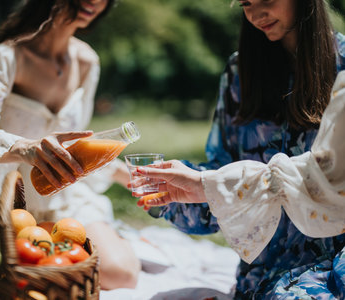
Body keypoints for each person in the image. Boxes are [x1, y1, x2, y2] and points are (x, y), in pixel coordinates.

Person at [129, 0, 345, 298]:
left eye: (266, 0)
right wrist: (167, 193)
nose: (256, 14)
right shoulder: (239, 72)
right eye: (246, 3)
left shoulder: (343, 68)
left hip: (332, 269)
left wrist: (206, 186)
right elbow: (222, 181)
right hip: (260, 276)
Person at [0, 0, 139, 290]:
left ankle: (115, 234)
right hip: (6, 200)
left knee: (121, 273)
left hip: (63, 196)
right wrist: (25, 148)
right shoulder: (9, 56)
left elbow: (80, 147)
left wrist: (131, 176)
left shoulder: (88, 62)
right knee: (11, 284)